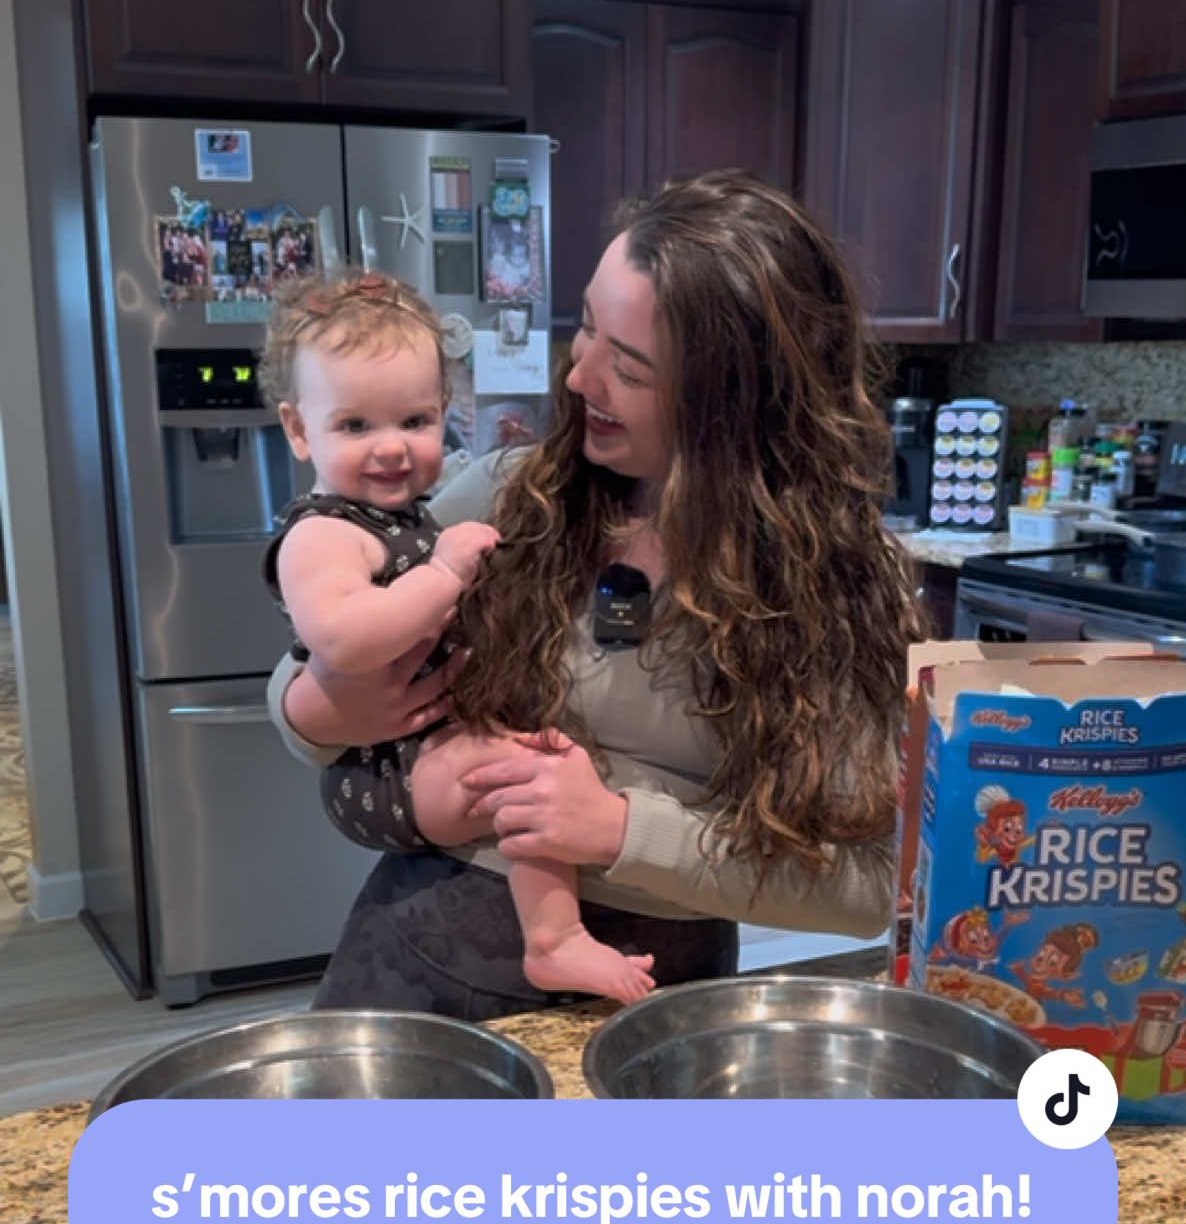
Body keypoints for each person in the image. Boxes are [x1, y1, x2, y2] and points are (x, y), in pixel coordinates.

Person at [268, 170, 922, 1020]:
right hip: (414, 958)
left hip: (656, 994)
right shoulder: (509, 493)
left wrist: (619, 829)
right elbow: (304, 659)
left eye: (631, 368)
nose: (578, 381)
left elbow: (867, 882)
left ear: (734, 404)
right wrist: (320, 714)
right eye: (586, 330)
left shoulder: (835, 582)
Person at [261, 271, 658, 1004]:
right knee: (528, 780)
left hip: (423, 750)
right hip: (383, 770)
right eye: (355, 426)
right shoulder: (321, 534)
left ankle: (556, 935)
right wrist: (445, 573)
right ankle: (555, 940)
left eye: (414, 422)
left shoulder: (406, 515)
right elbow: (341, 642)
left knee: (540, 764)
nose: (391, 449)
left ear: (445, 412)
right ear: (297, 429)